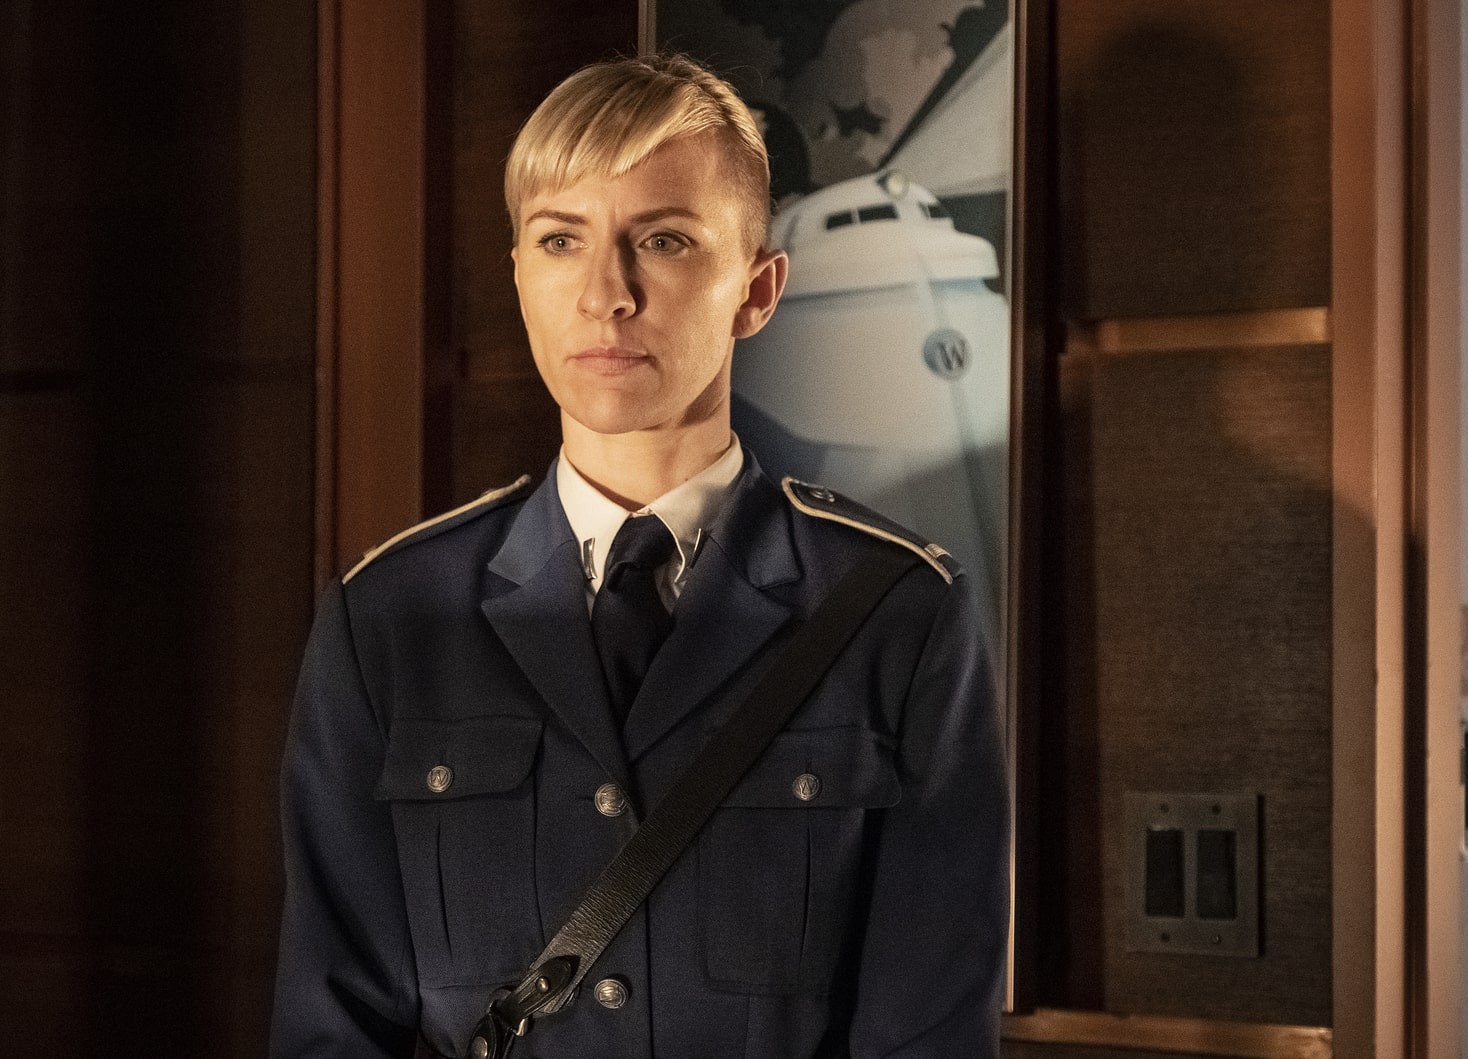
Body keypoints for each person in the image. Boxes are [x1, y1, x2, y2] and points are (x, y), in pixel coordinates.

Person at [271, 54, 1008, 1058]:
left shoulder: (894, 611)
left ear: (757, 290)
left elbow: (928, 1036)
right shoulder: (390, 616)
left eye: (662, 240)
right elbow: (331, 1026)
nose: (605, 293)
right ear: (519, 276)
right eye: (560, 240)